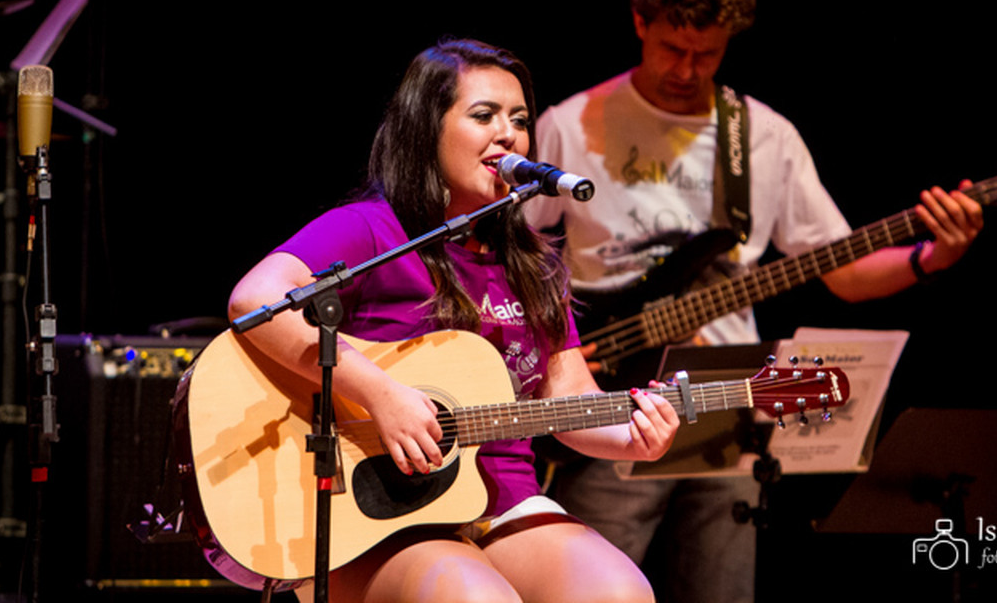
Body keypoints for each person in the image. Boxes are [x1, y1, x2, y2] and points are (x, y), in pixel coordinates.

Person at [523, 0, 985, 603]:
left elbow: (844, 272)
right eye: (671, 49)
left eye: (706, 54)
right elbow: (509, 255)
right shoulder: (571, 125)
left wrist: (932, 256)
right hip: (611, 396)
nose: (687, 69)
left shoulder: (763, 137)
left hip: (725, 401)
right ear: (638, 22)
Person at [227, 38, 681, 603]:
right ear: (427, 129)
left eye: (519, 119)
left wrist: (634, 439)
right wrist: (380, 393)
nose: (509, 134)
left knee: (621, 594)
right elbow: (253, 301)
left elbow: (568, 402)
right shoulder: (370, 231)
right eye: (484, 115)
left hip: (503, 500)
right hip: (380, 505)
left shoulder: (536, 265)